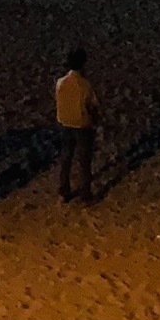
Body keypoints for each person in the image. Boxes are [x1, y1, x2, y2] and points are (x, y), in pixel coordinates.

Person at [54, 47, 100, 204]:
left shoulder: (60, 82)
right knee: (84, 160)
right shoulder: (85, 85)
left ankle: (64, 191)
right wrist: (96, 122)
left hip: (65, 123)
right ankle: (85, 194)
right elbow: (92, 106)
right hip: (81, 125)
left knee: (66, 158)